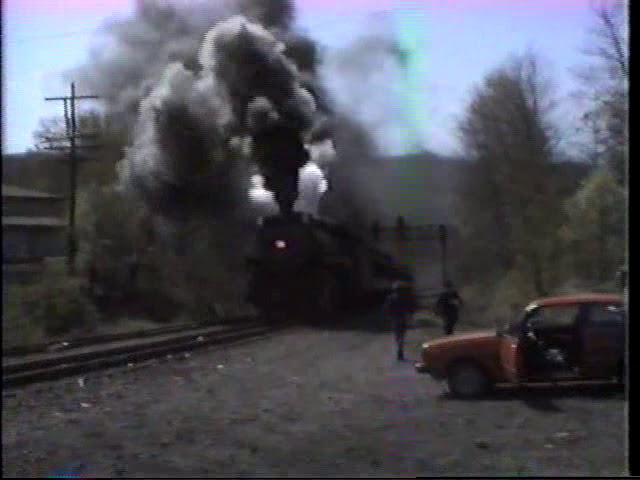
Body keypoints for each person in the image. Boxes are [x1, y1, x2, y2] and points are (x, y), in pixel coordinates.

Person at [385, 280, 417, 361]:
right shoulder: (404, 298)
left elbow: (387, 309)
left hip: (395, 318)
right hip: (402, 318)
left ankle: (399, 347)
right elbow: (410, 308)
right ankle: (400, 347)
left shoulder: (390, 298)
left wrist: (389, 317)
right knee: (402, 335)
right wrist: (410, 316)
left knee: (397, 335)